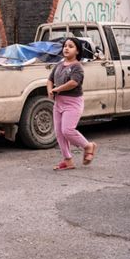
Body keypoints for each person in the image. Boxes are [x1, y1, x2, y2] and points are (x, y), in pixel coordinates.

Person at [47, 36, 97, 170]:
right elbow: (50, 80)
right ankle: (68, 160)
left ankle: (88, 146)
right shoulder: (59, 65)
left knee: (67, 130)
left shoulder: (77, 67)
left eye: (70, 46)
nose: (66, 48)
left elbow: (74, 83)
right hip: (59, 103)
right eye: (65, 46)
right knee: (59, 133)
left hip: (72, 103)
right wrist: (50, 90)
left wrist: (58, 89)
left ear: (77, 51)